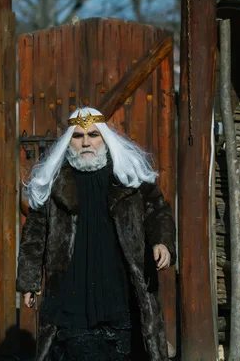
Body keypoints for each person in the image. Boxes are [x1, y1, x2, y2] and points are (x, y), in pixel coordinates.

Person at [16, 107, 176, 361]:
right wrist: (29, 280)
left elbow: (158, 211)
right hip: (71, 292)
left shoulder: (127, 177)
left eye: (93, 135)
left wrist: (162, 242)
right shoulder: (54, 181)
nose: (86, 142)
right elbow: (35, 233)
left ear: (105, 138)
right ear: (69, 141)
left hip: (122, 290)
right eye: (78, 136)